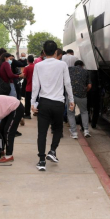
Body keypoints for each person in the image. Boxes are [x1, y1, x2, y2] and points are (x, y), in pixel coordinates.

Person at [31, 40, 75, 171]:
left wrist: (33, 102)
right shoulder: (62, 65)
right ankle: (52, 151)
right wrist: (71, 100)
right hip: (58, 103)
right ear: (56, 52)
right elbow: (67, 83)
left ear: (44, 52)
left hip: (44, 102)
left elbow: (35, 86)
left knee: (42, 132)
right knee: (58, 129)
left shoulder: (38, 66)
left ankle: (41, 161)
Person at [67, 60, 92, 138]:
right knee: (84, 112)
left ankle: (74, 133)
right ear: (82, 65)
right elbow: (89, 86)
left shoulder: (69, 69)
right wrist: (85, 91)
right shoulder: (86, 72)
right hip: (82, 96)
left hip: (71, 95)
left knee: (71, 113)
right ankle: (86, 131)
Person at [20, 55, 34, 119]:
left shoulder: (27, 68)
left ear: (27, 61)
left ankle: (28, 114)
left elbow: (24, 76)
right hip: (36, 87)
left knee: (28, 101)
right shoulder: (36, 67)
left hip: (29, 87)